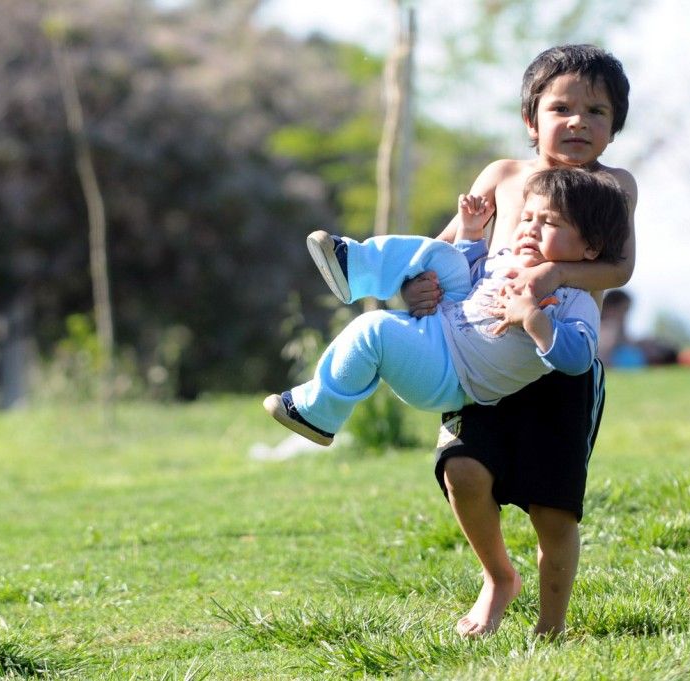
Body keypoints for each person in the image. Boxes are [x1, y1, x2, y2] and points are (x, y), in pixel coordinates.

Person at [400, 44, 637, 638]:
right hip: (479, 354)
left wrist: (553, 276)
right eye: (562, 108)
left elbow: (619, 269)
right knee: (463, 472)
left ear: (614, 127)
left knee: (554, 511)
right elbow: (445, 249)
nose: (579, 121)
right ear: (532, 120)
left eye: (598, 111)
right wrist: (418, 286)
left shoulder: (611, 187)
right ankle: (498, 577)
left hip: (560, 364)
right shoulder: (504, 176)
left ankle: (550, 630)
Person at [263, 167, 629, 454]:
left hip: (453, 373)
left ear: (591, 248)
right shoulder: (507, 261)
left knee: (372, 329)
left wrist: (532, 317)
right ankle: (355, 267)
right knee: (442, 255)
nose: (529, 230)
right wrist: (470, 234)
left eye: (549, 222)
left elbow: (579, 358)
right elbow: (470, 278)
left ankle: (317, 413)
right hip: (446, 323)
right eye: (527, 218)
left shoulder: (575, 300)